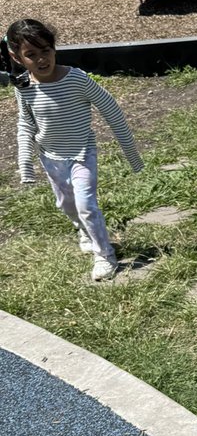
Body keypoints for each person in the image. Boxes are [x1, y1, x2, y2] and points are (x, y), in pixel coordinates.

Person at [6, 18, 143, 281]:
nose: (42, 60)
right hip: (50, 158)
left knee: (86, 204)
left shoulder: (76, 79)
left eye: (46, 51)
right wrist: (25, 161)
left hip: (81, 154)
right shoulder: (24, 87)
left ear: (54, 48)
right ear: (17, 57)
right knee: (67, 205)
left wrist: (131, 154)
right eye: (31, 55)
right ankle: (82, 229)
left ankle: (104, 255)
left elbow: (111, 111)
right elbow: (26, 124)